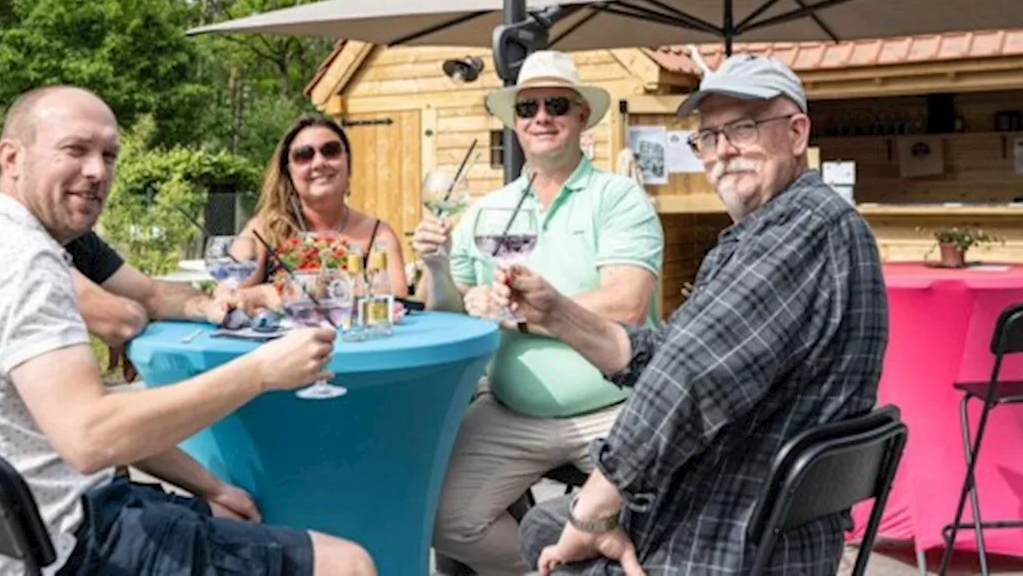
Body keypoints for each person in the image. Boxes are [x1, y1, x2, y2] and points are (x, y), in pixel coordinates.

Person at [0, 86, 375, 576]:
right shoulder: (19, 259)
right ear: (11, 158)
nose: (97, 171)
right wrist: (261, 372)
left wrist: (210, 488)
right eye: (75, 150)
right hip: (67, 551)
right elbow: (92, 436)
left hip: (0, 545)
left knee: (239, 508)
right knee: (347, 564)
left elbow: (92, 422)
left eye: (109, 155)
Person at [501, 54, 887, 575]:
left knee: (551, 529)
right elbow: (664, 354)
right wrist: (557, 314)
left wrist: (593, 513)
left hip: (727, 537)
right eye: (708, 137)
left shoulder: (804, 231)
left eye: (744, 128)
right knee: (546, 523)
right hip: (753, 514)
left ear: (797, 133)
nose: (724, 151)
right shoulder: (772, 229)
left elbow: (686, 377)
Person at [412, 50, 663, 576]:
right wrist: (435, 266)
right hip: (513, 412)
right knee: (440, 517)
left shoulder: (618, 198)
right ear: (514, 123)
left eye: (555, 105)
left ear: (581, 118)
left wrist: (526, 315)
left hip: (614, 406)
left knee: (667, 525)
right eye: (527, 108)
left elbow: (628, 303)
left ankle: (578, 545)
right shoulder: (488, 210)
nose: (540, 117)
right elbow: (455, 308)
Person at [231, 113, 408, 307]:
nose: (319, 163)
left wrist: (274, 294)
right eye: (303, 155)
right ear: (288, 171)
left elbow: (394, 301)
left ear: (347, 162)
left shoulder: (377, 234)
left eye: (330, 151)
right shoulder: (265, 229)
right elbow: (230, 292)